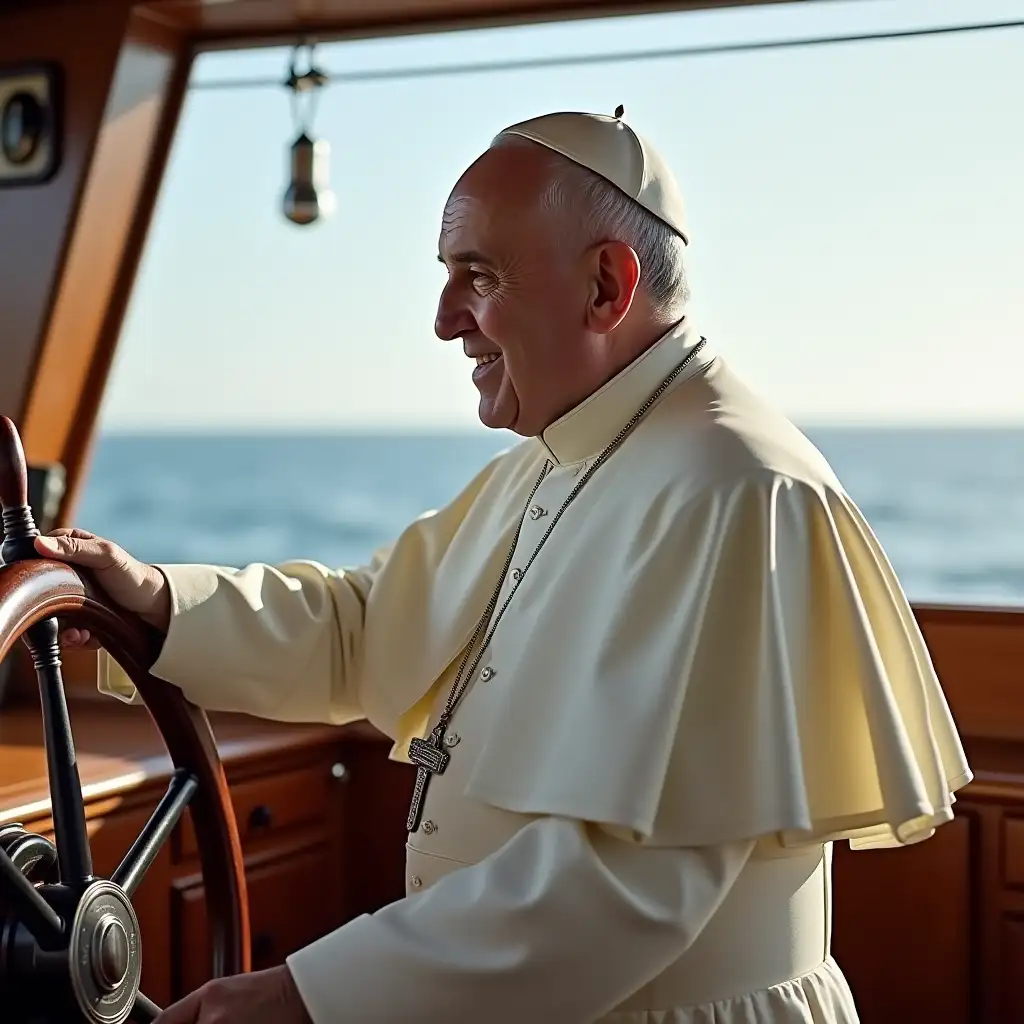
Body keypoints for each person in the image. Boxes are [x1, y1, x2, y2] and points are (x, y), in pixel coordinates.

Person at [41, 109, 971, 1024]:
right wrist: (157, 601)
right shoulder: (558, 455)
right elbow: (369, 626)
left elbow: (623, 881)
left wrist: (311, 997)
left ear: (607, 285)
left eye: (477, 276)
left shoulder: (734, 490)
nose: (447, 320)